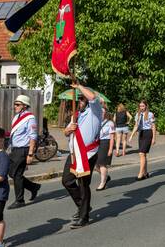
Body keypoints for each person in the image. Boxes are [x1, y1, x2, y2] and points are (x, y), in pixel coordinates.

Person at [62, 83, 102, 228]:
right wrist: (69, 130)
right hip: (74, 154)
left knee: (83, 185)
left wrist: (78, 86)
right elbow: (66, 132)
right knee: (67, 181)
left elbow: (93, 97)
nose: (80, 102)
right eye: (79, 100)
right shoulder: (76, 115)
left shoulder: (95, 111)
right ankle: (83, 206)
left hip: (88, 154)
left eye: (82, 100)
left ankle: (84, 217)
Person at [7, 95, 40, 210]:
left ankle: (19, 200)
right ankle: (33, 187)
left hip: (23, 149)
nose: (15, 106)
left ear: (24, 106)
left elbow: (33, 136)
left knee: (16, 174)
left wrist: (30, 154)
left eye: (17, 104)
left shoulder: (30, 118)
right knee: (12, 173)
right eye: (15, 104)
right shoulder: (16, 117)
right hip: (15, 149)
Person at [129, 100, 156, 180]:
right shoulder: (138, 114)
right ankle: (145, 173)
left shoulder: (150, 114)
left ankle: (140, 174)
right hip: (141, 134)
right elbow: (136, 126)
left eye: (143, 106)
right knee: (143, 155)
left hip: (148, 133)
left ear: (146, 106)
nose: (141, 108)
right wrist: (131, 136)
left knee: (141, 153)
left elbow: (153, 126)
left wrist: (154, 138)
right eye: (140, 106)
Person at [94, 108, 115, 191]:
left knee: (102, 164)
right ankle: (106, 176)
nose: (100, 113)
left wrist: (110, 149)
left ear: (105, 113)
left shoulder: (110, 123)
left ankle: (102, 183)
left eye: (102, 112)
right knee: (96, 165)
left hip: (106, 143)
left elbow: (112, 138)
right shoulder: (97, 122)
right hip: (97, 143)